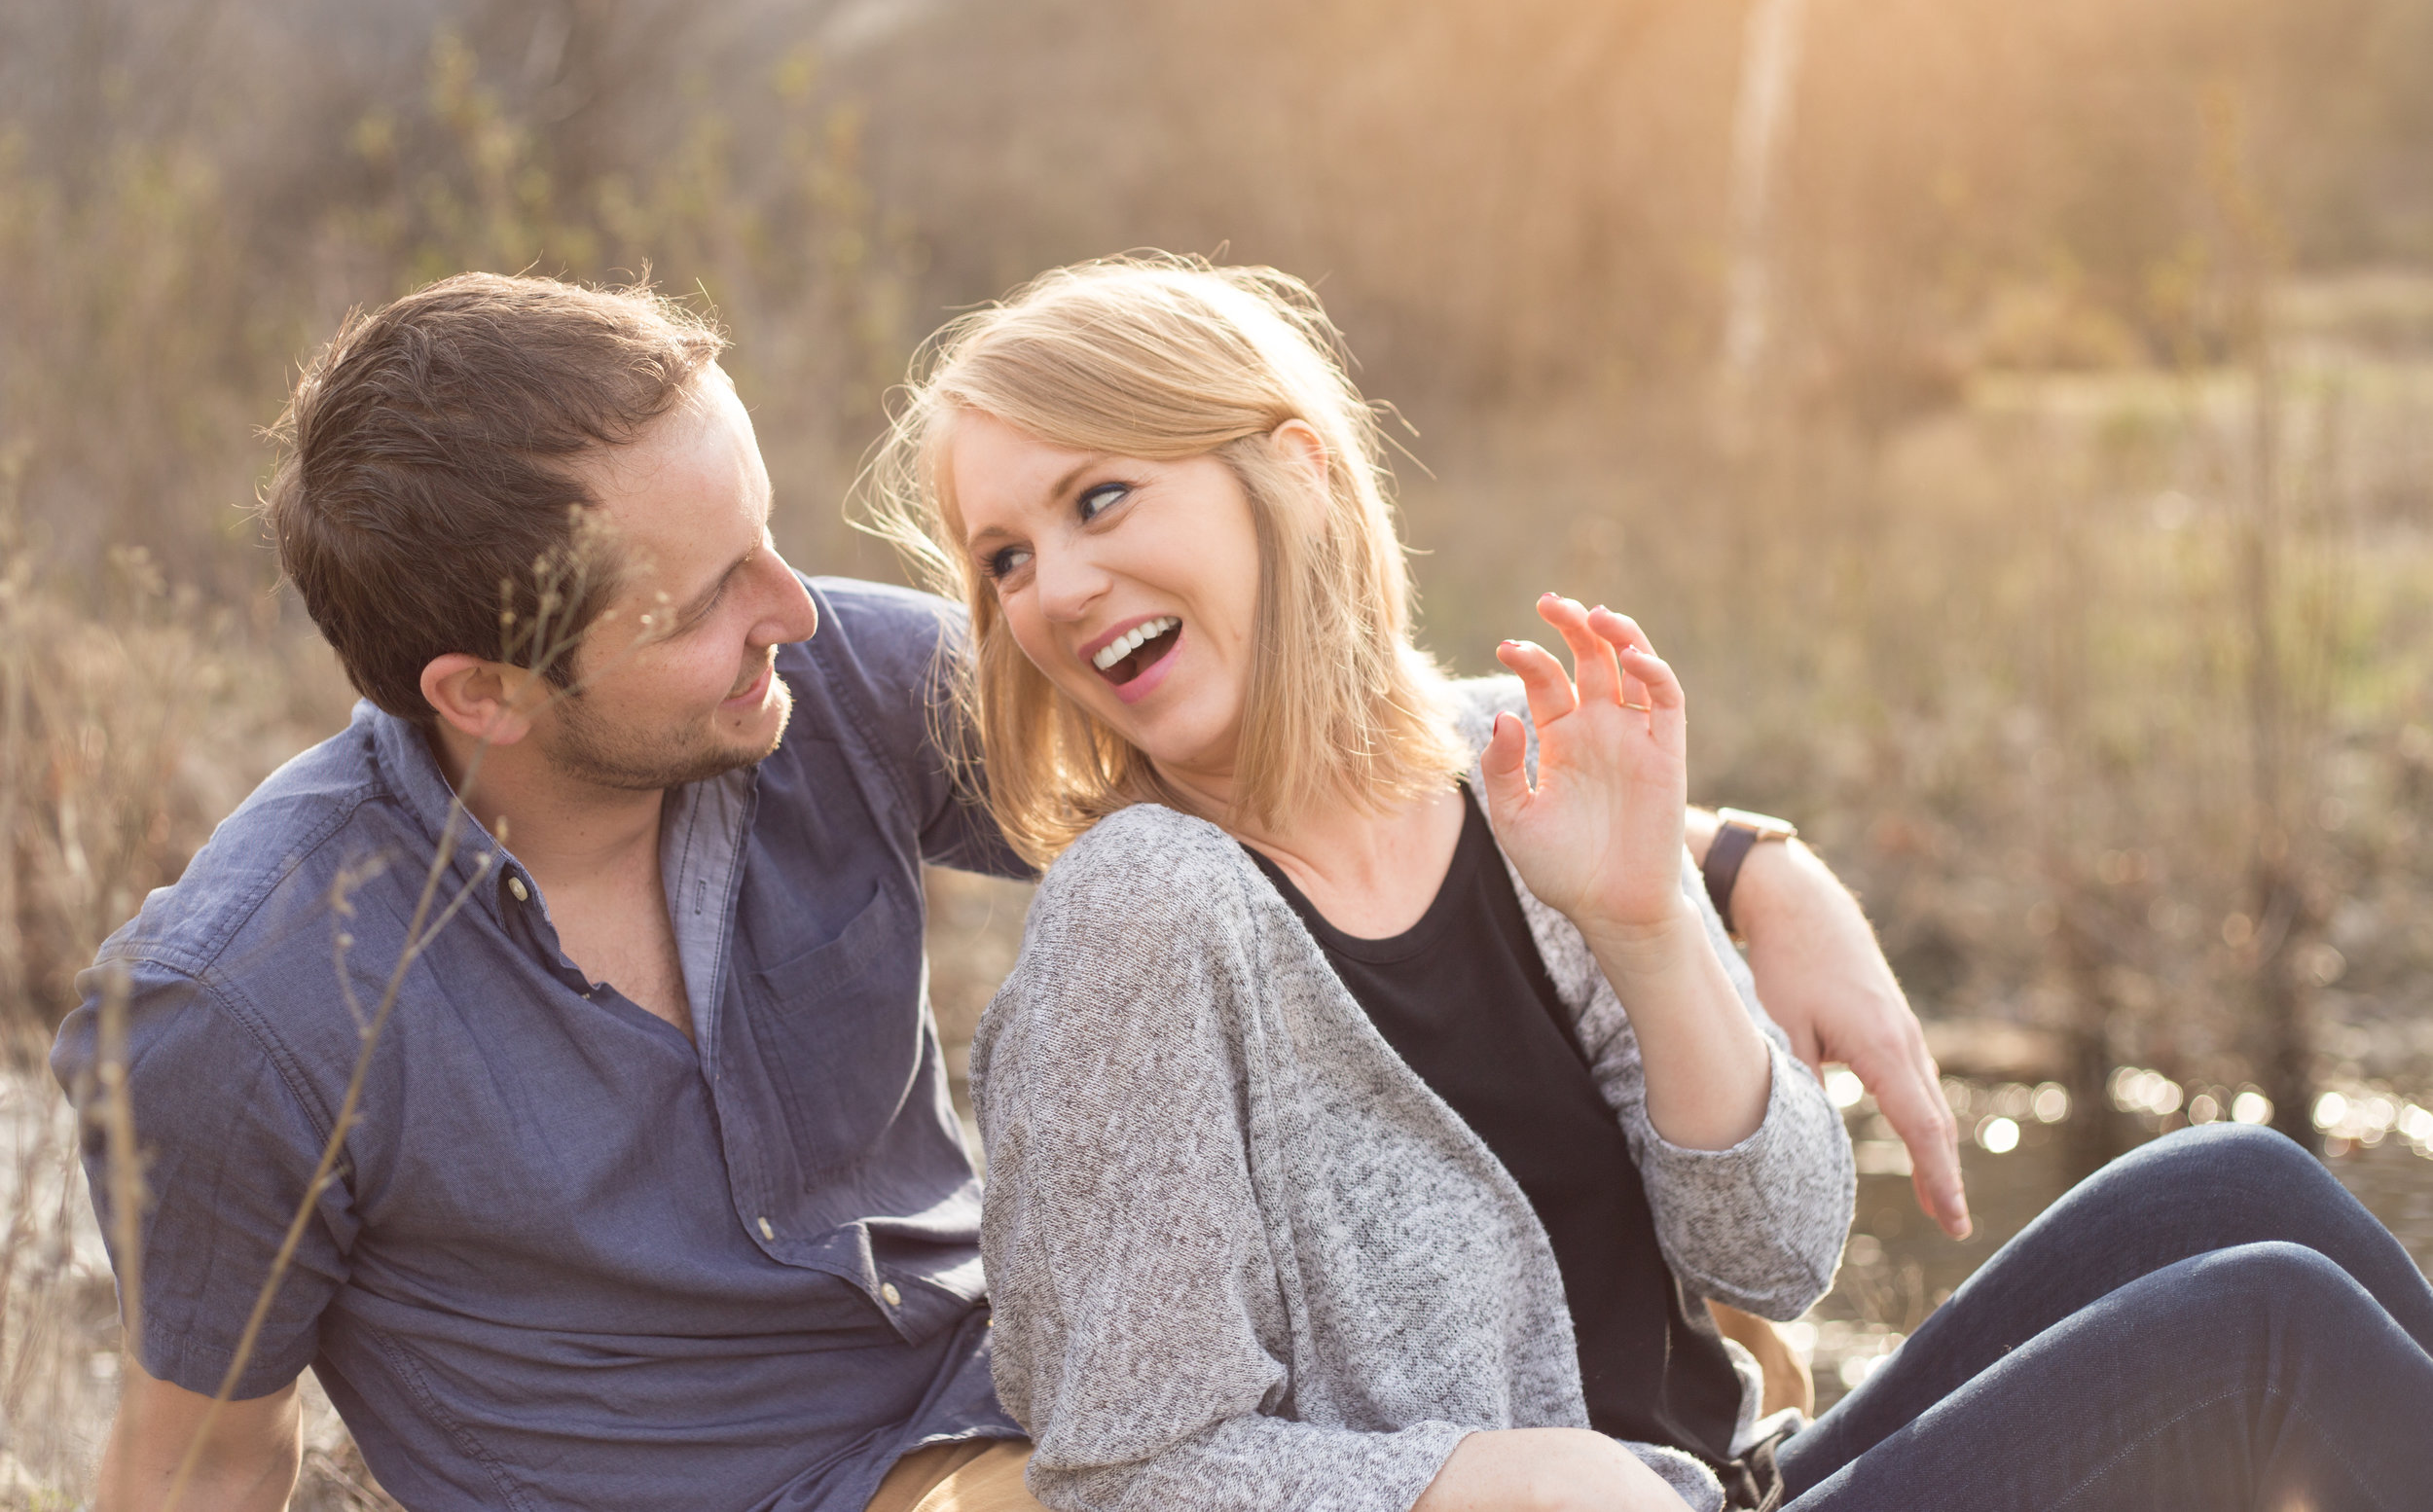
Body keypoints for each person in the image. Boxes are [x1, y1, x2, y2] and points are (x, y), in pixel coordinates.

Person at [51, 271, 1949, 1512]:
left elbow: (1285, 734)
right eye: (702, 597)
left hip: (1019, 1420)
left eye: (768, 540)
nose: (790, 612)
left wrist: (1725, 862)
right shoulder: (250, 1008)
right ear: (483, 694)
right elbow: (199, 1462)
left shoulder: (809, 695)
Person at [872, 254, 2433, 1512]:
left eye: (1100, 500)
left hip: (1742, 1481)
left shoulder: (1501, 760)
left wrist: (1657, 925)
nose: (1054, 591)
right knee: (2264, 1339)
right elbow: (1127, 1476)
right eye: (1003, 556)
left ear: (1292, 477)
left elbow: (1776, 1255)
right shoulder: (1145, 911)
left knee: (2238, 1187)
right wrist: (1479, 1484)